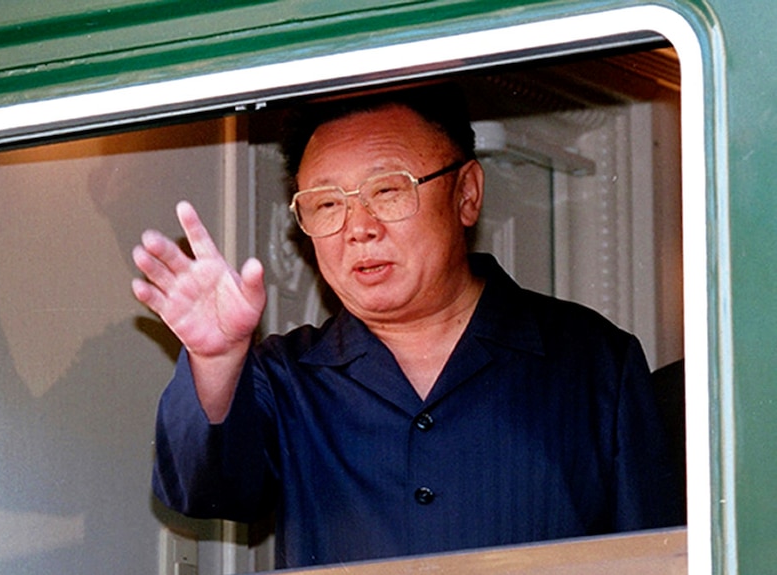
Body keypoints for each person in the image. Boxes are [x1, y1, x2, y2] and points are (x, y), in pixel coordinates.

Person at [132, 83, 683, 569]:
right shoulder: (285, 377)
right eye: (326, 204)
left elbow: (661, 557)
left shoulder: (594, 362)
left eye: (388, 191)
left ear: (466, 193)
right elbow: (200, 492)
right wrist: (216, 359)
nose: (359, 229)